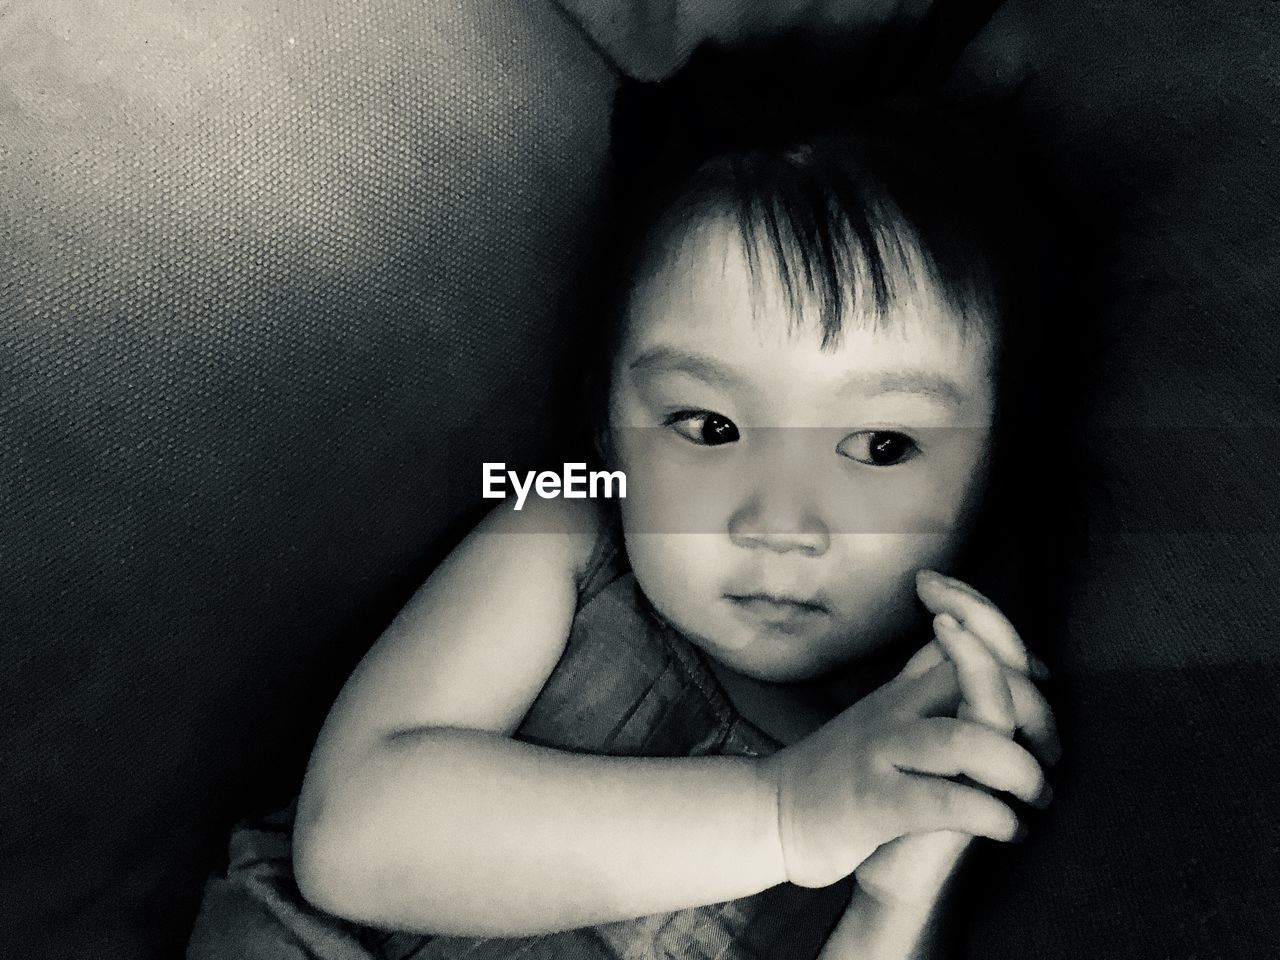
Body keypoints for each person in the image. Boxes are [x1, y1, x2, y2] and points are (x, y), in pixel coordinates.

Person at [199, 36, 1069, 960]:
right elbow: (353, 844)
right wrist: (783, 813)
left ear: (993, 472)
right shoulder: (560, 530)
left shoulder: (909, 737)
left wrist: (894, 905)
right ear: (608, 428)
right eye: (708, 428)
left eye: (882, 446)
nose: (778, 524)